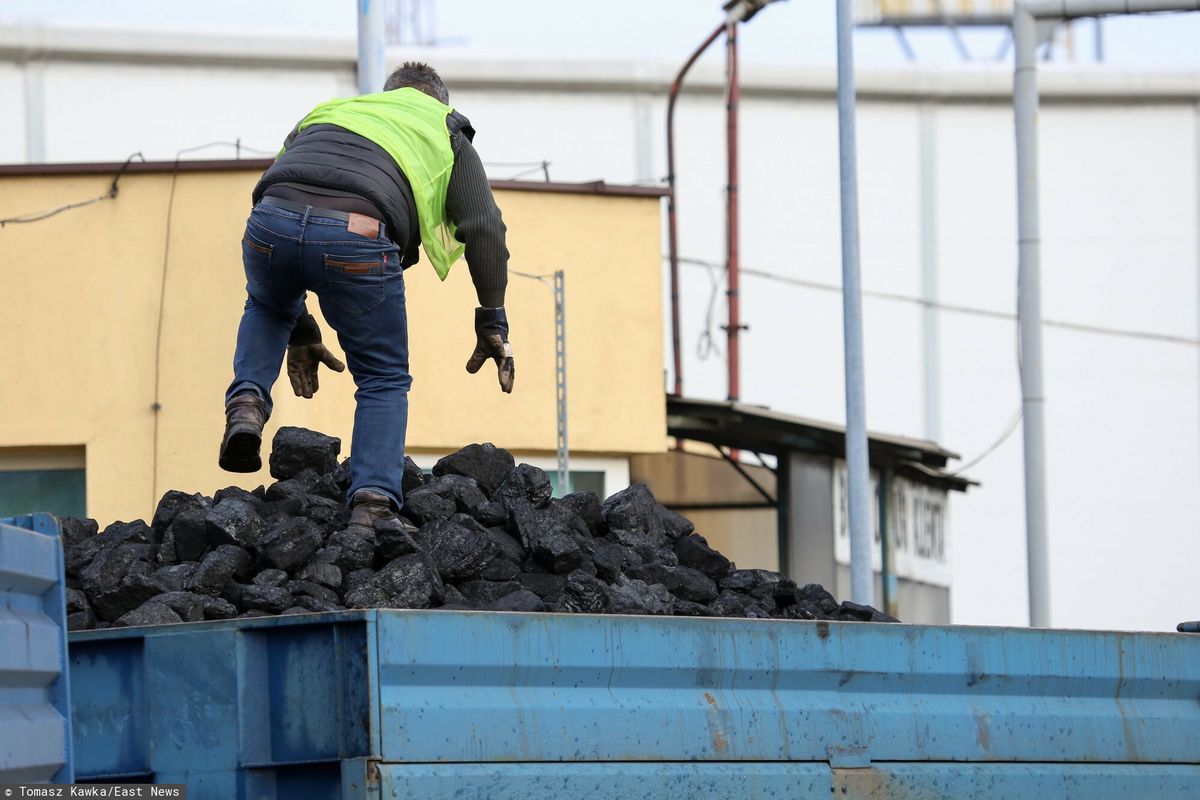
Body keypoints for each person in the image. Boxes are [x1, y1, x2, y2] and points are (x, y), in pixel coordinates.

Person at [218, 61, 514, 533]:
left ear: (387, 94)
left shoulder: (331, 112)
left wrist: (302, 328)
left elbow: (296, 212)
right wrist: (492, 319)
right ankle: (373, 505)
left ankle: (248, 403)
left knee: (267, 304)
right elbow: (483, 227)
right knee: (382, 377)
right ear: (439, 100)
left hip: (269, 220)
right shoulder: (443, 126)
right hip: (358, 232)